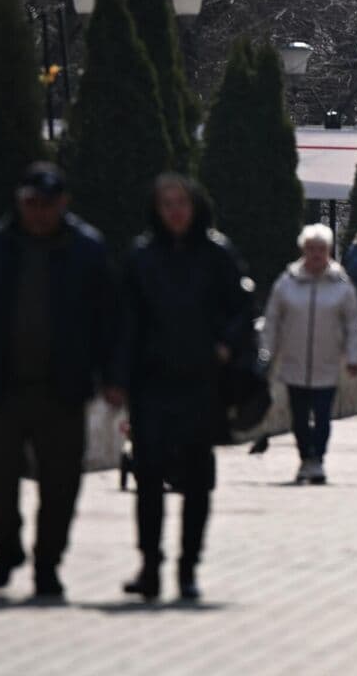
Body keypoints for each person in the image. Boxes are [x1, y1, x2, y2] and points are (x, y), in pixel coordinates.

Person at [0, 163, 122, 601]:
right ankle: (8, 549)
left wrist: (114, 377)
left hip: (62, 388)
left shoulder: (87, 250)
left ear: (63, 204)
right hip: (4, 386)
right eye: (30, 204)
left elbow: (109, 321)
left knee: (61, 484)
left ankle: (47, 563)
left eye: (46, 205)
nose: (38, 213)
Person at [120, 174, 256, 603]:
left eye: (182, 203)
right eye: (167, 204)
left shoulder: (216, 255)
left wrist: (224, 347)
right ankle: (150, 565)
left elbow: (242, 311)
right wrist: (115, 379)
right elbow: (124, 322)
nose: (175, 211)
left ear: (195, 207)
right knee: (149, 479)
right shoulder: (142, 258)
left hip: (202, 385)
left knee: (197, 480)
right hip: (152, 384)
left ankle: (188, 566)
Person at [260, 223, 357, 485]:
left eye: (321, 249)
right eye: (311, 249)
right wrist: (265, 352)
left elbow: (352, 324)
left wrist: (354, 356)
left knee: (322, 416)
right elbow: (272, 319)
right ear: (303, 250)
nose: (316, 254)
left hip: (326, 362)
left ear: (328, 251)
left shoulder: (341, 284)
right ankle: (305, 456)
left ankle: (318, 459)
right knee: (298, 417)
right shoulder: (287, 282)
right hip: (294, 361)